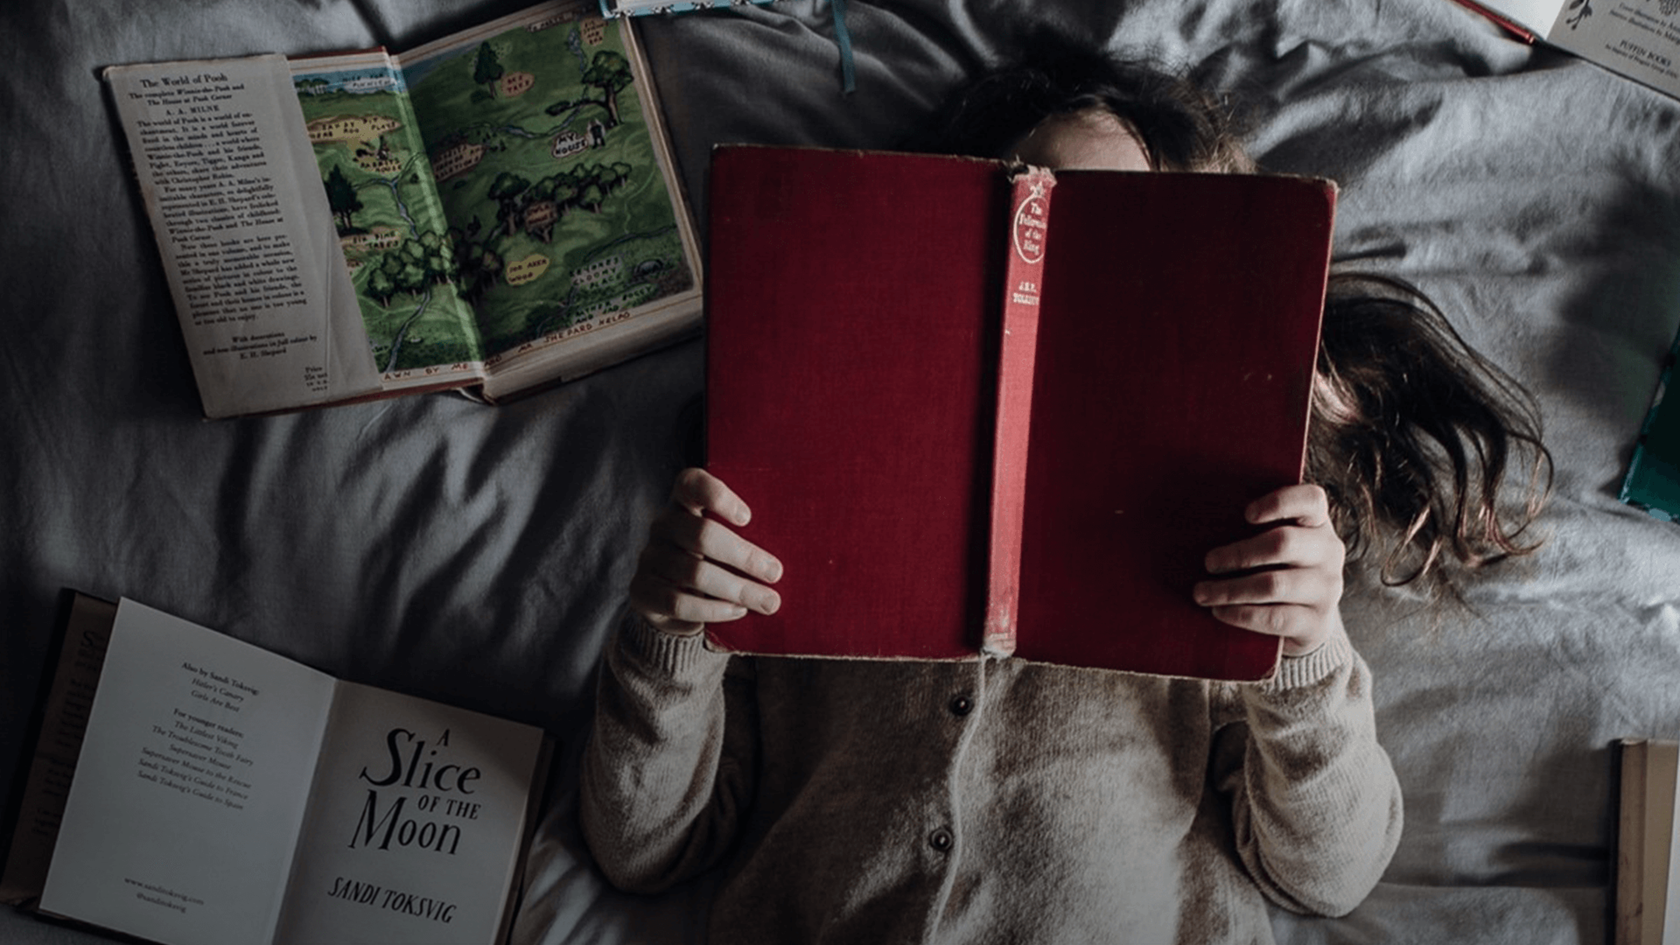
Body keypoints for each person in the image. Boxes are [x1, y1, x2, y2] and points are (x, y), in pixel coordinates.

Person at [579, 41, 1551, 945]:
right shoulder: (801, 512)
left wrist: (1304, 651)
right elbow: (646, 846)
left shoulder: (1231, 535)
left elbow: (1327, 877)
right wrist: (671, 634)